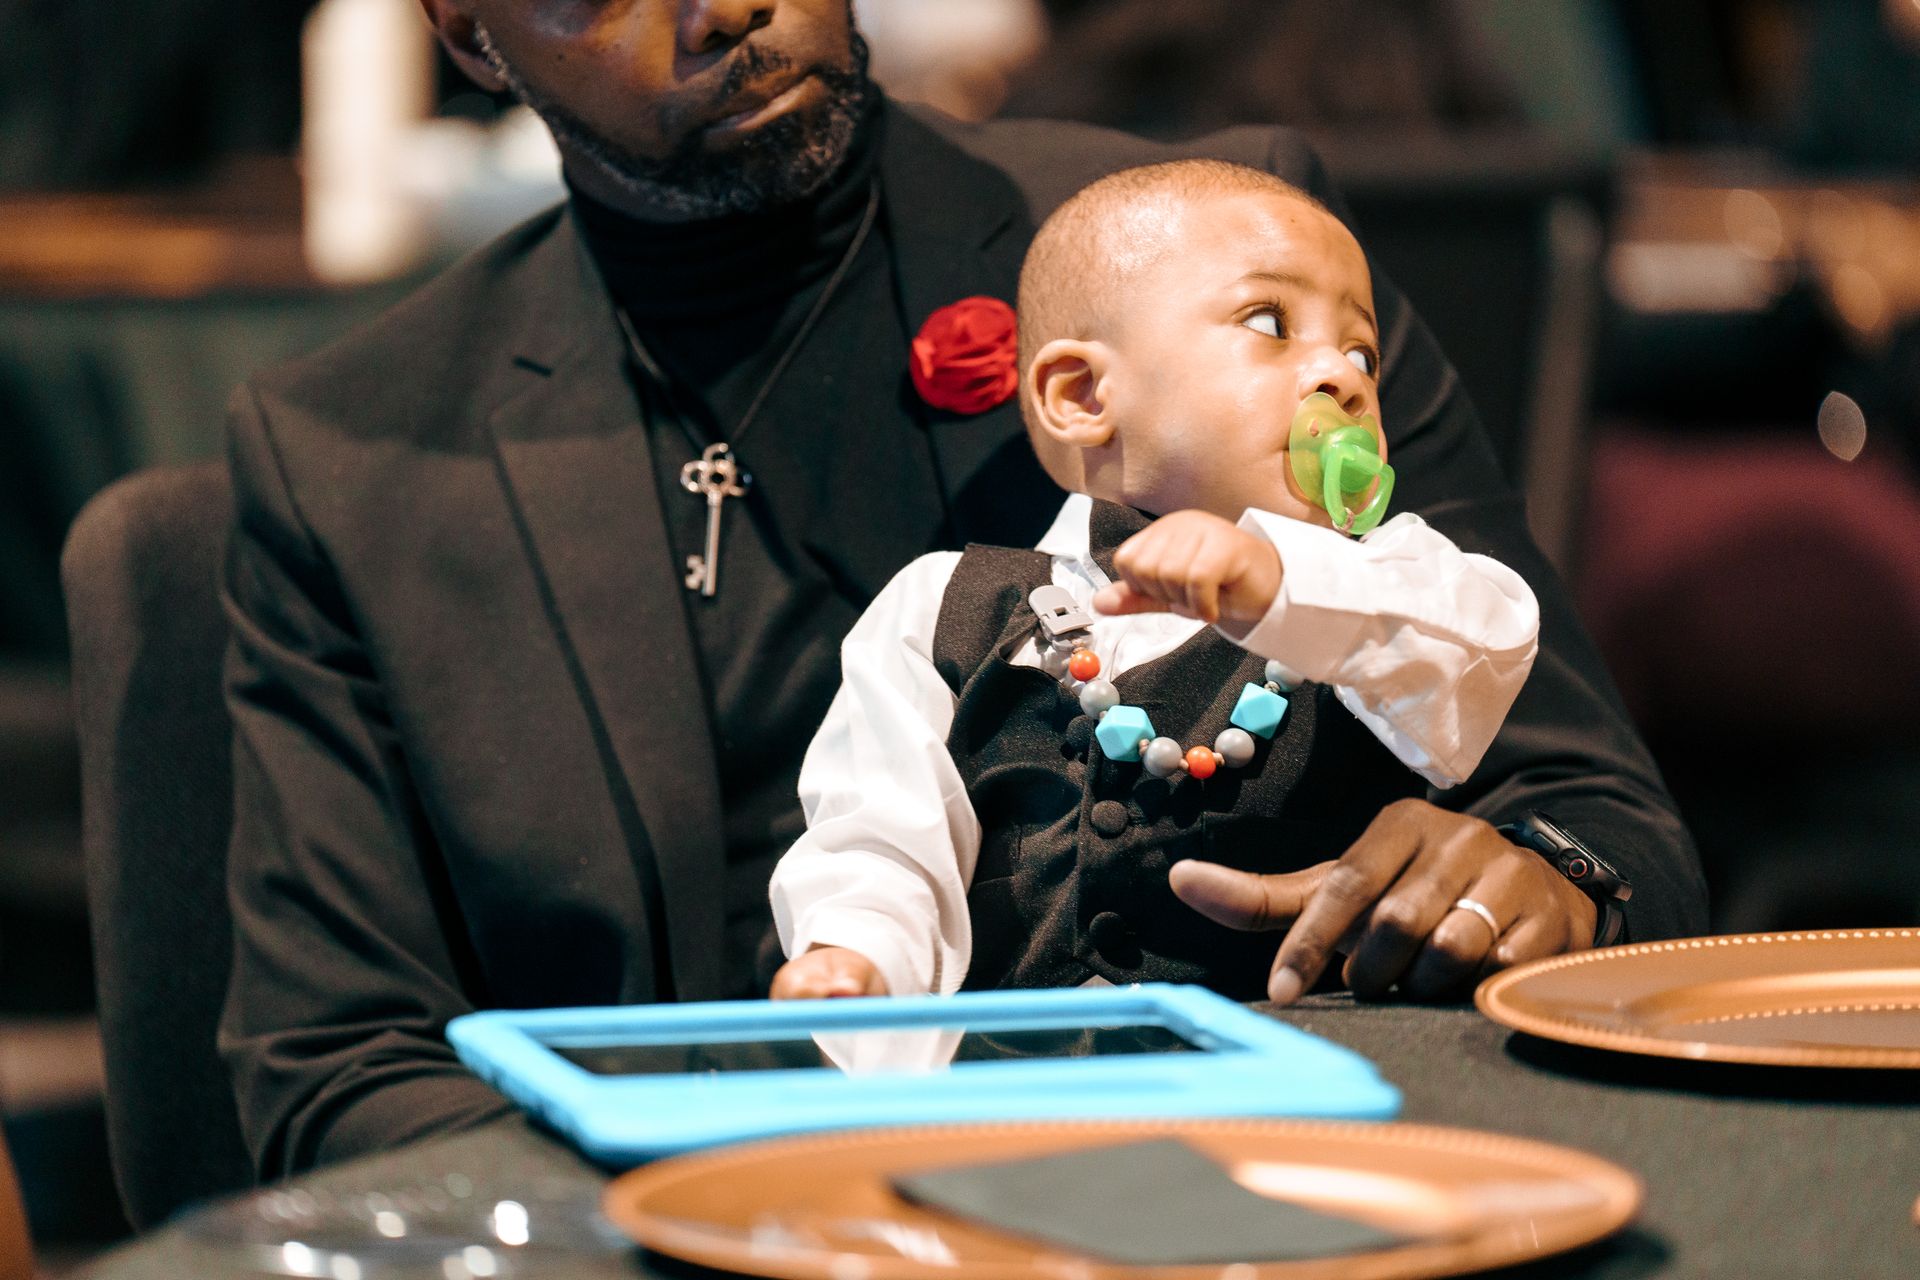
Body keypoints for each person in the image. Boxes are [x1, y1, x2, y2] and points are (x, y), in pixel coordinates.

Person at [217, 0, 1706, 1180]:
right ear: (466, 33)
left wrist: (1544, 879)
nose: (726, 10)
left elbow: (1601, 814)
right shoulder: (350, 469)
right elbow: (338, 1075)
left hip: (1270, 1172)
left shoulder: (1212, 263)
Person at [768, 161, 1546, 1002]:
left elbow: (1482, 650)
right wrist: (858, 957)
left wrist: (1280, 583)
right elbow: (880, 832)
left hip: (1306, 1076)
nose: (1344, 377)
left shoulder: (1381, 588)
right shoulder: (944, 607)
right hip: (1021, 1091)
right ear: (1083, 394)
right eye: (1269, 321)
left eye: (1361, 351)